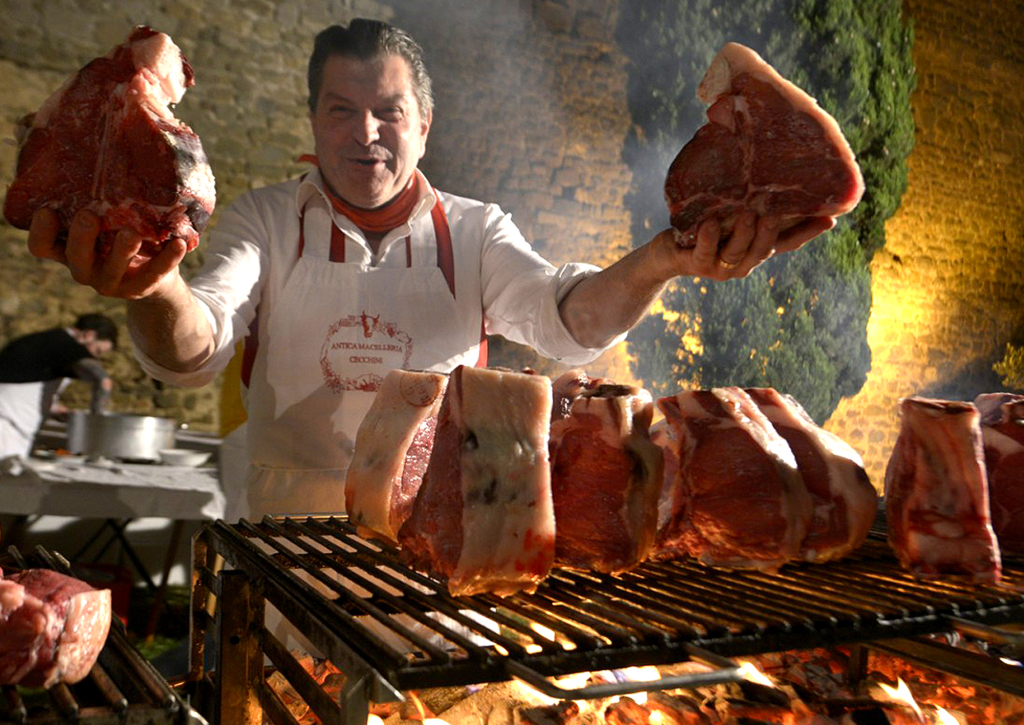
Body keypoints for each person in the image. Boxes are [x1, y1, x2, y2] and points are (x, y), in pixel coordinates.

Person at [24, 19, 834, 518]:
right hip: (282, 553)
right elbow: (195, 344)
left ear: (424, 123)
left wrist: (663, 258)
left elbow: (569, 320)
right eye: (341, 110)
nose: (365, 132)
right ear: (314, 120)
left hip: (430, 559)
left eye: (389, 111)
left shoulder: (474, 233)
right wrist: (155, 285)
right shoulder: (267, 220)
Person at [0, 313, 118, 459]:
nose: (94, 357)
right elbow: (103, 380)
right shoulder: (70, 347)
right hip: (7, 427)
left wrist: (52, 406)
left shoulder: (44, 341)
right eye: (97, 350)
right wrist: (96, 428)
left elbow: (25, 377)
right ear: (89, 335)